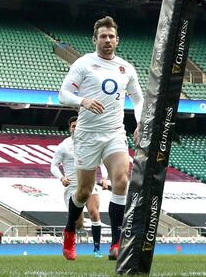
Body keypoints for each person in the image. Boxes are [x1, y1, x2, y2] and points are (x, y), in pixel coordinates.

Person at [58, 16, 143, 261]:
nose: (107, 40)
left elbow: (138, 100)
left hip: (115, 133)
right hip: (87, 135)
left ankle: (116, 242)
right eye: (103, 36)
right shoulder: (84, 63)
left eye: (111, 36)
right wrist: (82, 100)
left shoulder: (126, 68)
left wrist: (139, 123)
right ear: (95, 39)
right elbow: (64, 94)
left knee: (122, 180)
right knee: (83, 192)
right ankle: (70, 230)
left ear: (118, 40)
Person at [51, 115, 111, 258]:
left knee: (94, 211)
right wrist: (62, 178)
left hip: (89, 183)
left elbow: (102, 162)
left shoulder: (92, 142)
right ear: (70, 128)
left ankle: (97, 249)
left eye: (79, 125)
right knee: (78, 224)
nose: (76, 128)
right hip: (72, 188)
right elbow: (53, 166)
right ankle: (68, 238)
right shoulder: (63, 146)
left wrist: (103, 177)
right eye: (73, 126)